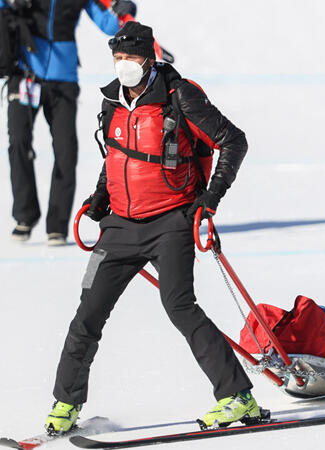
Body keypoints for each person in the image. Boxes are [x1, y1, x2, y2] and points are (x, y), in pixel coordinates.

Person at [44, 21, 259, 434]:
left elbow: (234, 140)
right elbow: (116, 156)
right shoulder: (111, 100)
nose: (123, 64)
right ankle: (65, 404)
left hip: (171, 221)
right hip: (119, 228)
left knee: (180, 307)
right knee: (87, 315)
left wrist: (209, 200)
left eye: (131, 57)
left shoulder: (180, 96)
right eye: (118, 57)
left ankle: (238, 397)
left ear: (148, 58)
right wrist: (100, 197)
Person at [2, 0, 136, 245]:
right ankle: (24, 215)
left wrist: (124, 9)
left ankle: (57, 225)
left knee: (66, 151)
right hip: (24, 73)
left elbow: (108, 25)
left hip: (63, 79)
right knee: (18, 142)